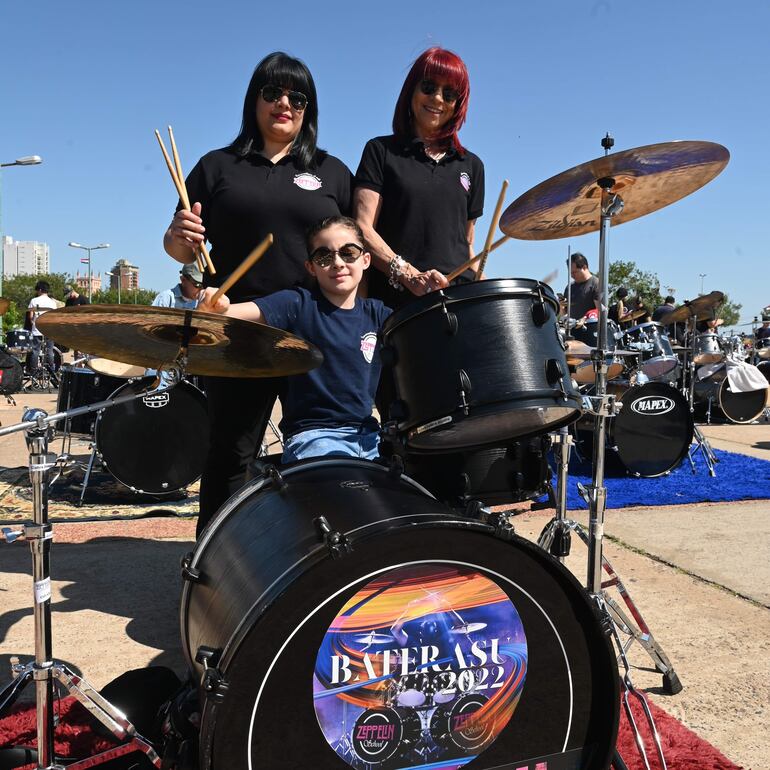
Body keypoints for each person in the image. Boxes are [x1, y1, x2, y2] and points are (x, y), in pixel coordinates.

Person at [162, 51, 353, 530]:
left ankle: (309, 564)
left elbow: (352, 254)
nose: (284, 103)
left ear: (309, 110)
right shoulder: (217, 166)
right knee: (230, 453)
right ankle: (213, 570)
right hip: (235, 331)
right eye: (272, 93)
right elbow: (180, 249)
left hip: (314, 330)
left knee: (319, 448)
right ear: (254, 101)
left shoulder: (332, 171)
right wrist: (178, 238)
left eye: (297, 97)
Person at [198, 216, 389, 515]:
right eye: (324, 256)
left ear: (365, 260)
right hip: (315, 438)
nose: (337, 262)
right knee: (347, 510)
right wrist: (218, 308)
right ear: (310, 268)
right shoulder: (298, 304)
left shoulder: (378, 314)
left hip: (368, 435)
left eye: (348, 253)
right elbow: (238, 313)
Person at [354, 47, 485, 310]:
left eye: (449, 94)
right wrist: (408, 274)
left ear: (458, 104)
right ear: (411, 90)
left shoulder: (472, 165)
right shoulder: (380, 151)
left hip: (458, 305)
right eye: (429, 87)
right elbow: (362, 229)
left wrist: (485, 289)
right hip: (397, 306)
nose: (437, 99)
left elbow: (467, 243)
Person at [27, 280, 58, 378]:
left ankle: (34, 373)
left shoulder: (34, 300)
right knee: (49, 351)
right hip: (49, 330)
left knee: (35, 351)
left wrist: (33, 323)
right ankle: (52, 373)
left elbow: (30, 316)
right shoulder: (52, 302)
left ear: (40, 290)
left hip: (37, 330)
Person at [564, 253, 600, 321]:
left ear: (584, 267)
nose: (572, 276)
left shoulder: (596, 284)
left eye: (574, 272)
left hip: (590, 328)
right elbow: (565, 314)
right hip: (572, 330)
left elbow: (601, 310)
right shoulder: (569, 287)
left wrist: (585, 318)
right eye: (570, 273)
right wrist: (560, 306)